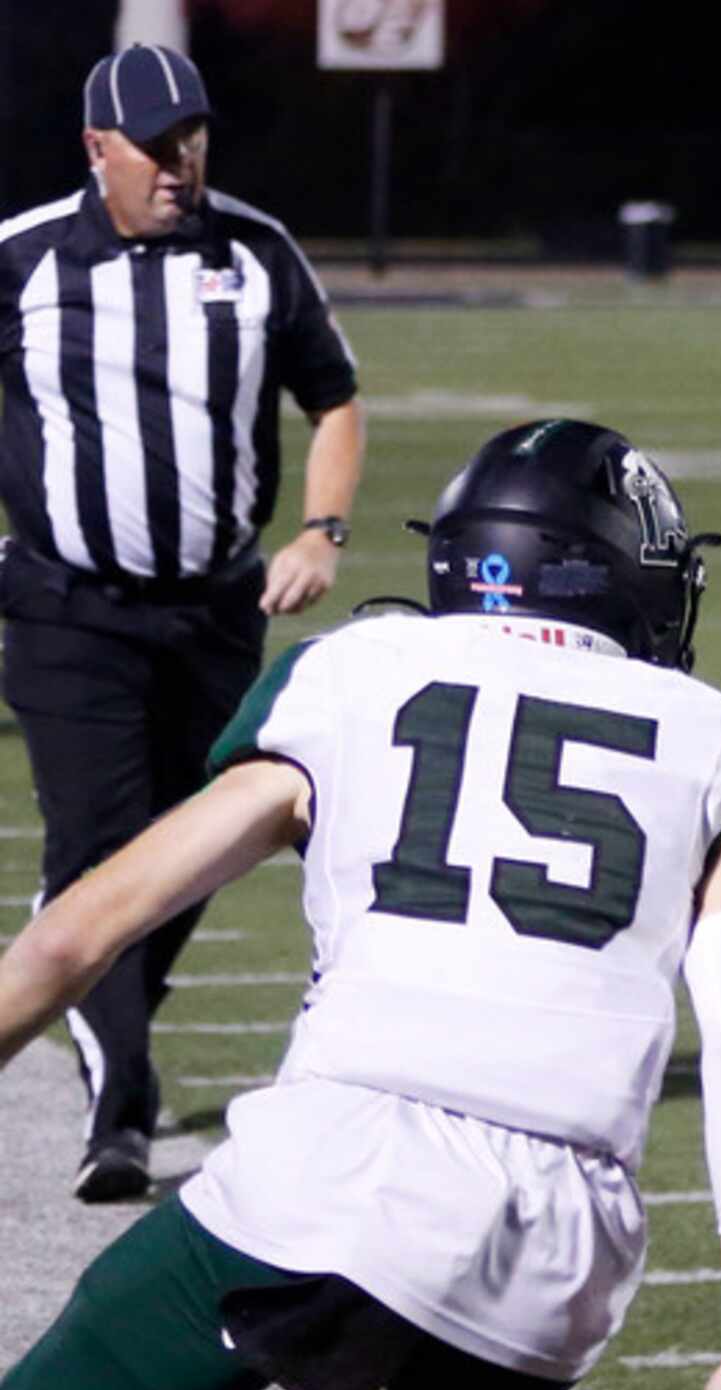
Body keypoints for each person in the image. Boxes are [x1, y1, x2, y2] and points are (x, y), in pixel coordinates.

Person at [0, 419, 721, 1390]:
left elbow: (79, 933)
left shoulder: (348, 674)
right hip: (554, 1253)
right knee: (439, 1367)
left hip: (332, 1168)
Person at [0, 42, 369, 1201]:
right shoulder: (20, 260)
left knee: (195, 852)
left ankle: (82, 967)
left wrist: (320, 534)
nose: (179, 164)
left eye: (192, 139)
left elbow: (336, 399)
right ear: (95, 149)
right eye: (155, 146)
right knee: (102, 847)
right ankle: (121, 1110)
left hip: (217, 607)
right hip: (69, 606)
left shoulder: (254, 250)